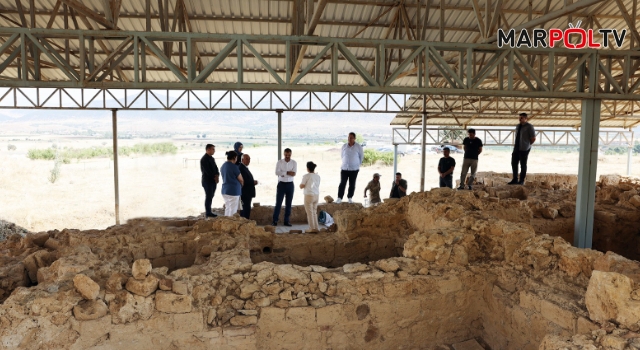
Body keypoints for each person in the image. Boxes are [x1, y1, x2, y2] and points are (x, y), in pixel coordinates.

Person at [508, 113, 536, 185]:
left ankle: (522, 180)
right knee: (514, 163)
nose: (520, 119)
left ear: (526, 119)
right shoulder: (518, 126)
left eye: (522, 118)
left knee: (523, 164)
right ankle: (515, 179)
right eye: (519, 118)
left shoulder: (529, 127)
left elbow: (533, 138)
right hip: (516, 148)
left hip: (524, 149)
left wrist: (527, 145)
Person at [336, 132, 364, 204]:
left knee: (352, 184)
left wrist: (357, 164)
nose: (349, 139)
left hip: (354, 169)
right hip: (344, 168)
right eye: (348, 137)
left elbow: (361, 157)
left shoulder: (358, 147)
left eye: (351, 137)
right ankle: (339, 198)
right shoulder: (344, 146)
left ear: (354, 138)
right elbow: (342, 156)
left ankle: (350, 197)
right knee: (342, 183)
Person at [272, 148, 297, 226]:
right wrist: (287, 172)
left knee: (288, 204)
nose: (287, 156)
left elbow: (294, 173)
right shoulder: (280, 162)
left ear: (291, 154)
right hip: (281, 184)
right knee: (278, 203)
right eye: (286, 155)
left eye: (289, 155)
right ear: (284, 154)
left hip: (290, 184)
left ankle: (286, 221)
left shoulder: (294, 162)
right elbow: (277, 172)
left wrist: (283, 173)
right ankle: (275, 220)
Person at [220, 151, 244, 217]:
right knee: (233, 210)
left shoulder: (223, 166)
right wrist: (242, 185)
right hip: (233, 191)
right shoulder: (234, 167)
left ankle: (226, 224)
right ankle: (230, 225)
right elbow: (241, 179)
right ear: (234, 157)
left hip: (225, 190)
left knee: (228, 208)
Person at [300, 161, 320, 233]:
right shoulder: (318, 176)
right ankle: (316, 227)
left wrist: (301, 185)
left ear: (307, 168)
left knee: (310, 213)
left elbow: (302, 186)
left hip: (309, 195)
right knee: (314, 212)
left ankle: (312, 228)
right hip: (316, 195)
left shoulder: (306, 176)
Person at [200, 144, 219, 218]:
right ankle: (208, 212)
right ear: (208, 149)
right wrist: (215, 177)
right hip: (207, 181)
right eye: (212, 149)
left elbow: (216, 168)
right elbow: (207, 171)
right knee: (208, 196)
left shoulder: (212, 158)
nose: (214, 151)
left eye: (214, 149)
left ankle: (209, 210)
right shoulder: (204, 159)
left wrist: (217, 175)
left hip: (213, 180)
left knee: (211, 196)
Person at [239, 154, 258, 219]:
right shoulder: (241, 168)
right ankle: (244, 223)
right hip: (245, 192)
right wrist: (253, 182)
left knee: (246, 208)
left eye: (249, 159)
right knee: (245, 209)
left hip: (247, 192)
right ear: (242, 160)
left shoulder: (244, 168)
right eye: (246, 159)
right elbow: (243, 181)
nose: (248, 161)